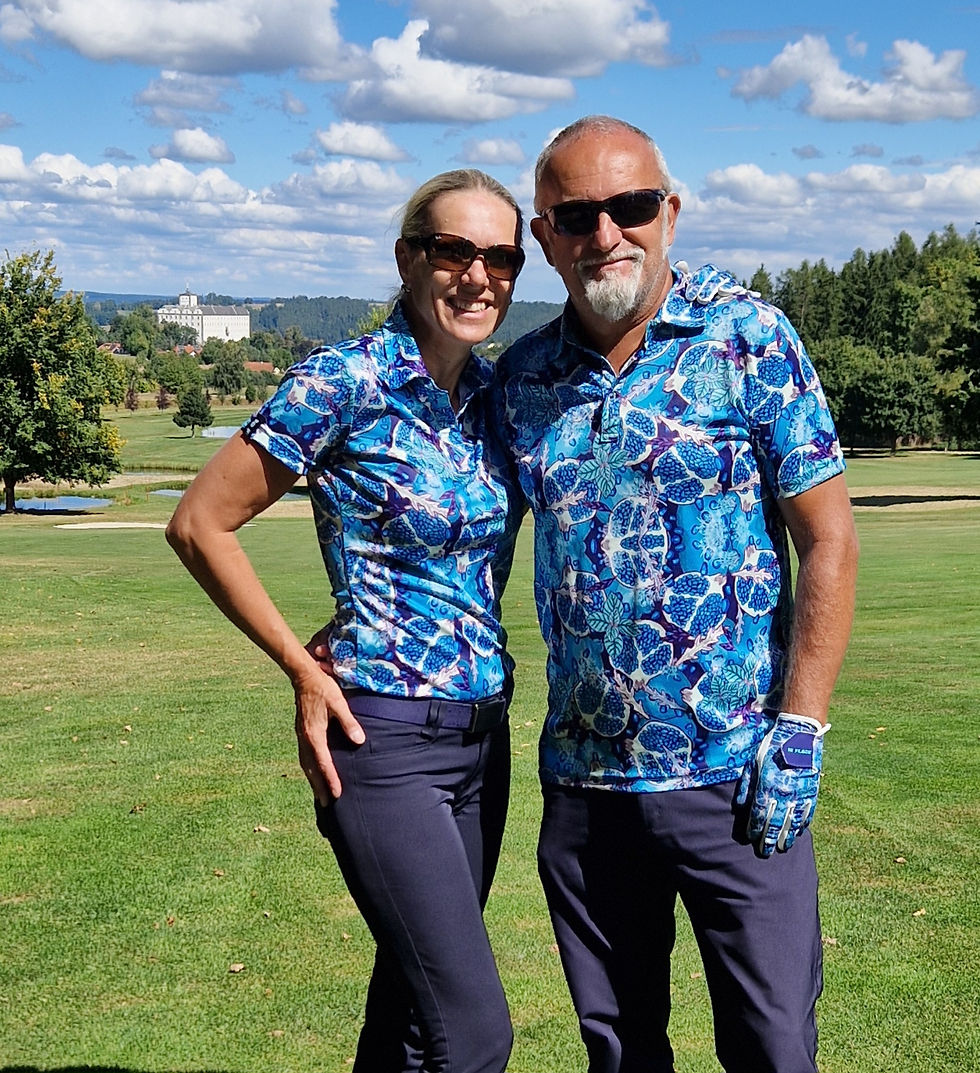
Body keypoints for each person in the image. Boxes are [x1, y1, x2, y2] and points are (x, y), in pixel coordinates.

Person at [491, 115, 859, 1073]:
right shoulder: (524, 379)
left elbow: (828, 537)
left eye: (631, 206)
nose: (605, 233)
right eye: (575, 216)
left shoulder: (750, 339)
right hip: (585, 791)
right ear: (544, 237)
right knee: (620, 1053)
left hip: (739, 778)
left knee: (774, 1047)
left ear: (671, 211)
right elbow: (461, 535)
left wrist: (802, 729)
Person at [166, 168, 527, 1073]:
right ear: (410, 259)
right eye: (455, 251)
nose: (478, 275)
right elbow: (200, 522)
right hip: (383, 738)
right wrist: (303, 664)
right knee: (476, 1035)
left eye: (501, 257)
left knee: (413, 1016)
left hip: (484, 739)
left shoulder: (494, 398)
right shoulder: (344, 380)